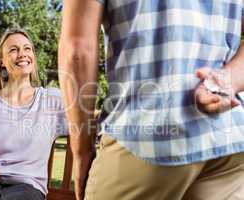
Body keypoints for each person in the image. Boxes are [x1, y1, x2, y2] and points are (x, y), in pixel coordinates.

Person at [58, 1, 244, 200]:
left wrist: (81, 151)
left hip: (146, 139)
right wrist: (227, 80)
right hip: (229, 141)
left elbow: (76, 50)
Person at [0, 27, 68, 200]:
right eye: (14, 50)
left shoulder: (52, 100)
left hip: (28, 188)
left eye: (27, 48)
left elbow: (88, 124)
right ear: (2, 61)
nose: (22, 54)